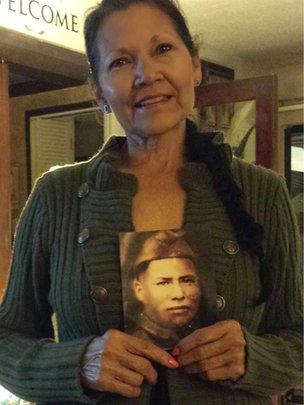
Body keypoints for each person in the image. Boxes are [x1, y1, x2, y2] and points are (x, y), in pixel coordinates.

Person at [0, 0, 302, 404]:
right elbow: (6, 339)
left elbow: (297, 335)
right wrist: (77, 362)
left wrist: (253, 355)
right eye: (121, 61)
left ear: (194, 64)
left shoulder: (262, 191)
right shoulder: (56, 197)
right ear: (98, 91)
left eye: (162, 49)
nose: (146, 74)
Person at [122, 230, 206, 348]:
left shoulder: (202, 331)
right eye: (164, 283)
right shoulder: (134, 339)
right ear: (139, 290)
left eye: (187, 281)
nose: (179, 294)